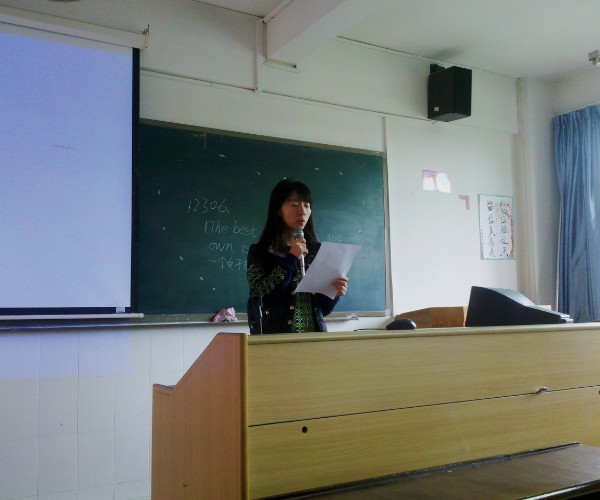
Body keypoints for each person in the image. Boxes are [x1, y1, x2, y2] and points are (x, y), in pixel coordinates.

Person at [247, 179, 349, 334]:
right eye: (294, 205)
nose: (302, 211)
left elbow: (323, 309)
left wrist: (334, 292)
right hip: (275, 338)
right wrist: (291, 258)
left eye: (307, 205)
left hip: (313, 338)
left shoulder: (317, 251)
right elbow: (261, 296)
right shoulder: (260, 252)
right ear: (278, 210)